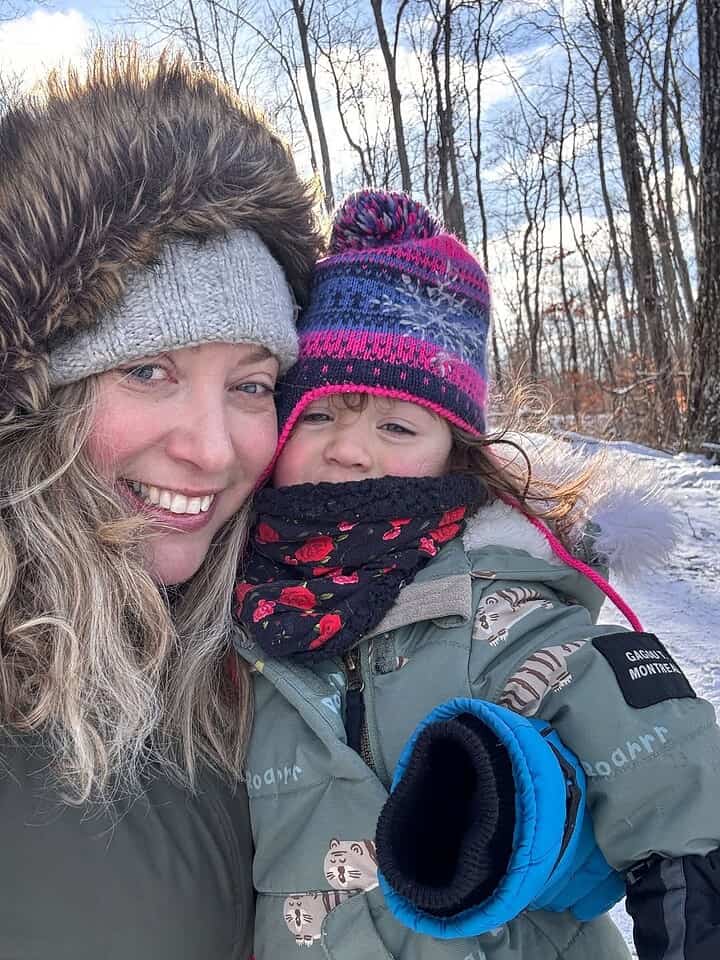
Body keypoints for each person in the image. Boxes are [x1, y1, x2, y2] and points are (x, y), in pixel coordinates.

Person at [234, 190, 720, 959]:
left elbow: (670, 777)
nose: (349, 450)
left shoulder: (509, 606)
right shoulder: (236, 626)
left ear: (453, 450)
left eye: (396, 425)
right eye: (321, 414)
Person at [0, 48, 321, 959]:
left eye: (252, 386)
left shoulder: (274, 639)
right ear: (37, 399)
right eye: (149, 371)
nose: (212, 448)